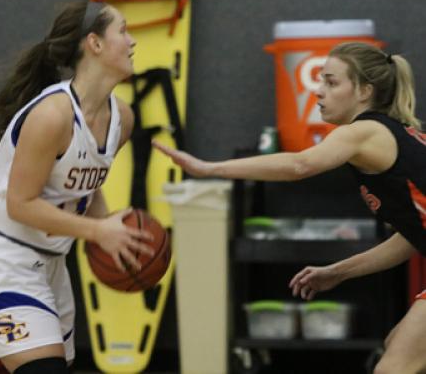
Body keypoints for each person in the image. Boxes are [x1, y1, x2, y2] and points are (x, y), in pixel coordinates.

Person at [153, 41, 426, 374]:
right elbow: (413, 237)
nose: (318, 92)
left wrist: (211, 169)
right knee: (399, 345)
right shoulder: (382, 137)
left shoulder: (364, 131)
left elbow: (300, 165)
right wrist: (337, 271)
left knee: (394, 366)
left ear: (364, 91)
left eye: (331, 82)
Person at [0, 1, 154, 374]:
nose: (132, 42)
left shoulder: (121, 119)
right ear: (94, 43)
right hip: (1, 257)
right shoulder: (52, 116)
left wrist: (112, 232)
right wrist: (97, 231)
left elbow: (84, 188)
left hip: (51, 264)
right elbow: (21, 204)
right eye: (123, 31)